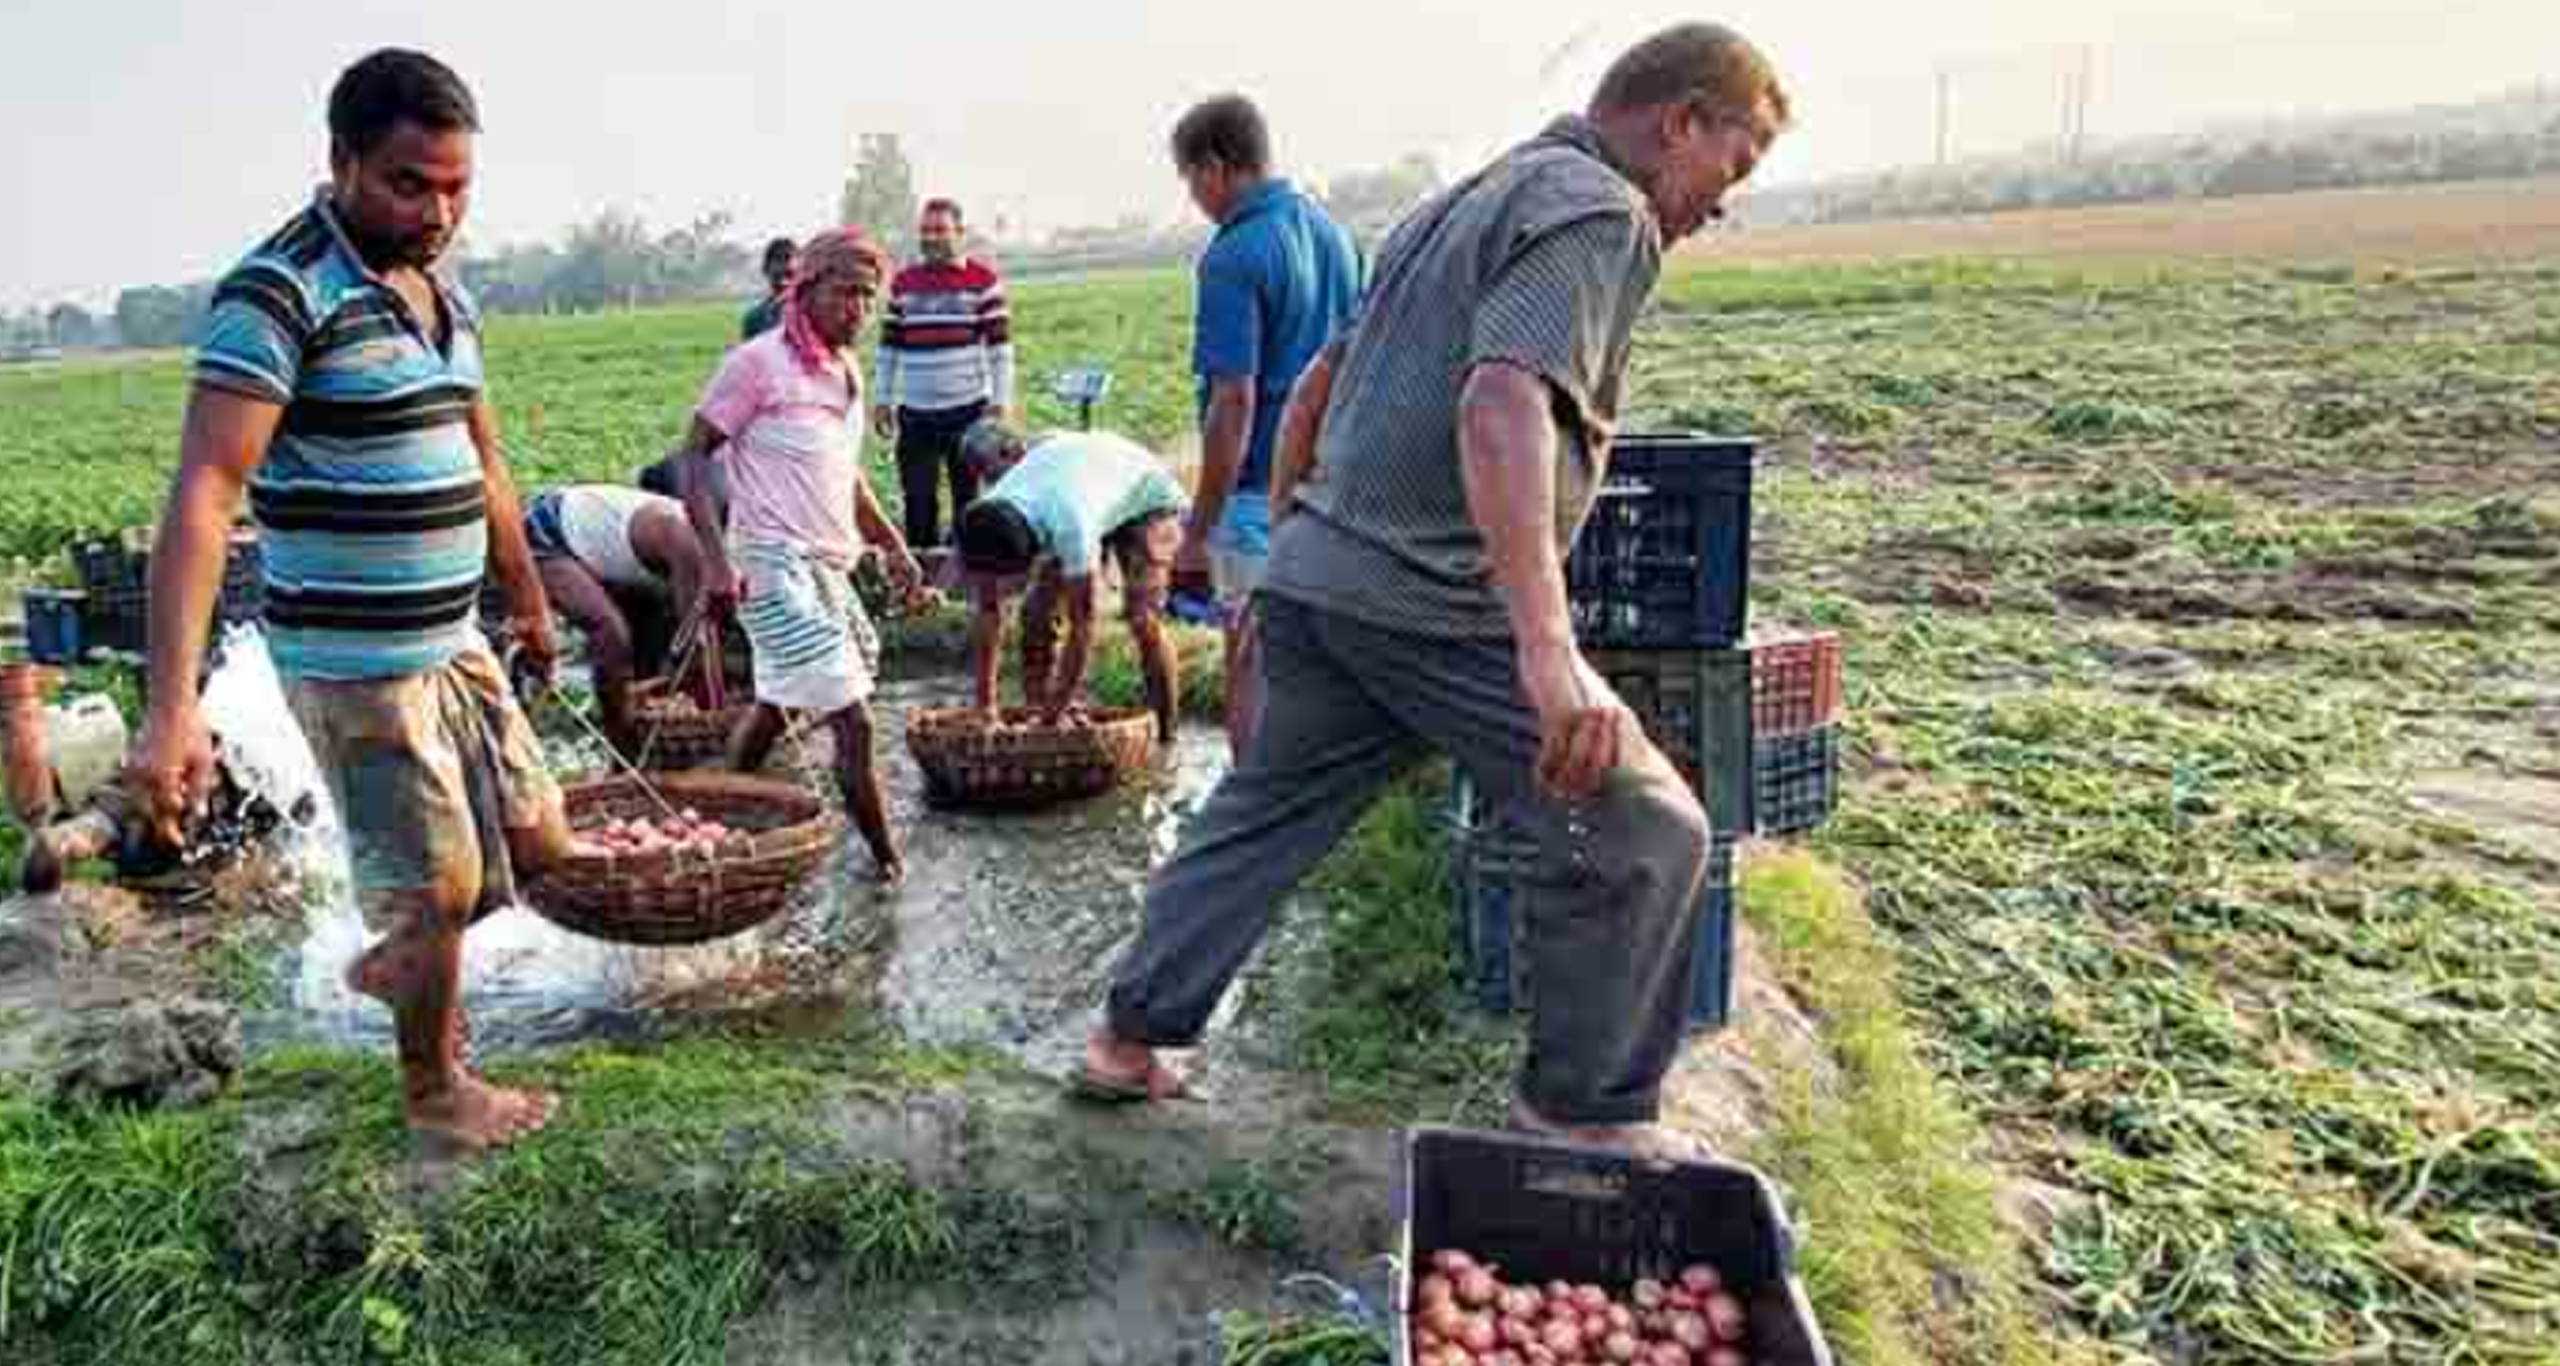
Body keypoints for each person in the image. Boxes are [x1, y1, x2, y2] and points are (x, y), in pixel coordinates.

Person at [1081, 24, 1790, 1159]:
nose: (1721, 201)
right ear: (1682, 122)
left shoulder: (1460, 199)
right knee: (1647, 831)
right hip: (1433, 602)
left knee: (1261, 814)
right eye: (1733, 165)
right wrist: (1546, 653)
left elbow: (1318, 382)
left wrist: (1293, 534)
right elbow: (1501, 403)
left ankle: (1127, 1042)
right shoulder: (1598, 210)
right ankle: (1581, 1114)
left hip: (1328, 583)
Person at [124, 49, 572, 1150]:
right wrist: (169, 707)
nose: (438, 211)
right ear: (341, 163)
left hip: (449, 638)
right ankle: (434, 1091)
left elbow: (483, 455)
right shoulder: (277, 292)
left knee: (538, 841)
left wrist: (527, 596)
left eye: (458, 185)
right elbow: (204, 494)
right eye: (409, 184)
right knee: (435, 886)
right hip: (356, 655)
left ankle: (398, 958)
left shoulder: (443, 294)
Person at [675, 228, 928, 884]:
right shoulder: (757, 364)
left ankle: (718, 803)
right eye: (846, 293)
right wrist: (715, 562)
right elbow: (693, 457)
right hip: (769, 562)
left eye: (869, 298)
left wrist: (892, 545)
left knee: (779, 701)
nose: (858, 311)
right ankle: (888, 868)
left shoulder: (846, 372)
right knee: (855, 718)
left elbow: (845, 474)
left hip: (825, 567)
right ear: (806, 288)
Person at [1169, 94, 1363, 755]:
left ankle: (1248, 835)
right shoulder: (1335, 236)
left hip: (1256, 492)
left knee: (1249, 661)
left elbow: (1234, 403)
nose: (1195, 197)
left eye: (1191, 180)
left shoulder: (1233, 255)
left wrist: (1196, 534)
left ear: (1215, 166)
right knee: (1312, 669)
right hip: (1330, 486)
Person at [953, 420, 1185, 743]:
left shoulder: (1069, 525)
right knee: (1035, 613)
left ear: (1033, 549)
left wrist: (1053, 717)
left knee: (1142, 619)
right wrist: (985, 704)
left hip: (1145, 493)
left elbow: (1083, 625)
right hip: (1081, 482)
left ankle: (1166, 734)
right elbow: (989, 610)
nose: (1005, 585)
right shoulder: (985, 518)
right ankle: (1037, 711)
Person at [871, 198, 1017, 549]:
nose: (931, 237)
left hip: (968, 412)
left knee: (968, 500)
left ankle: (966, 574)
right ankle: (921, 576)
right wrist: (882, 399)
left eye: (940, 230)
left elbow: (1000, 350)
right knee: (918, 500)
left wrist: (1001, 403)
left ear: (960, 233)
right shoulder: (904, 284)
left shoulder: (983, 282)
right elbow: (889, 349)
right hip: (916, 414)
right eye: (925, 230)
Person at [521, 485, 708, 757]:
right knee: (610, 634)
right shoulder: (685, 541)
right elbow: (692, 649)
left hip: (613, 555)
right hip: (548, 532)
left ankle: (639, 724)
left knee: (649, 649)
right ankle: (621, 746)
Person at [741, 236, 798, 341]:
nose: (784, 267)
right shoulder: (755, 318)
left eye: (788, 258)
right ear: (765, 269)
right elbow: (750, 355)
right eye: (778, 260)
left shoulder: (812, 313)